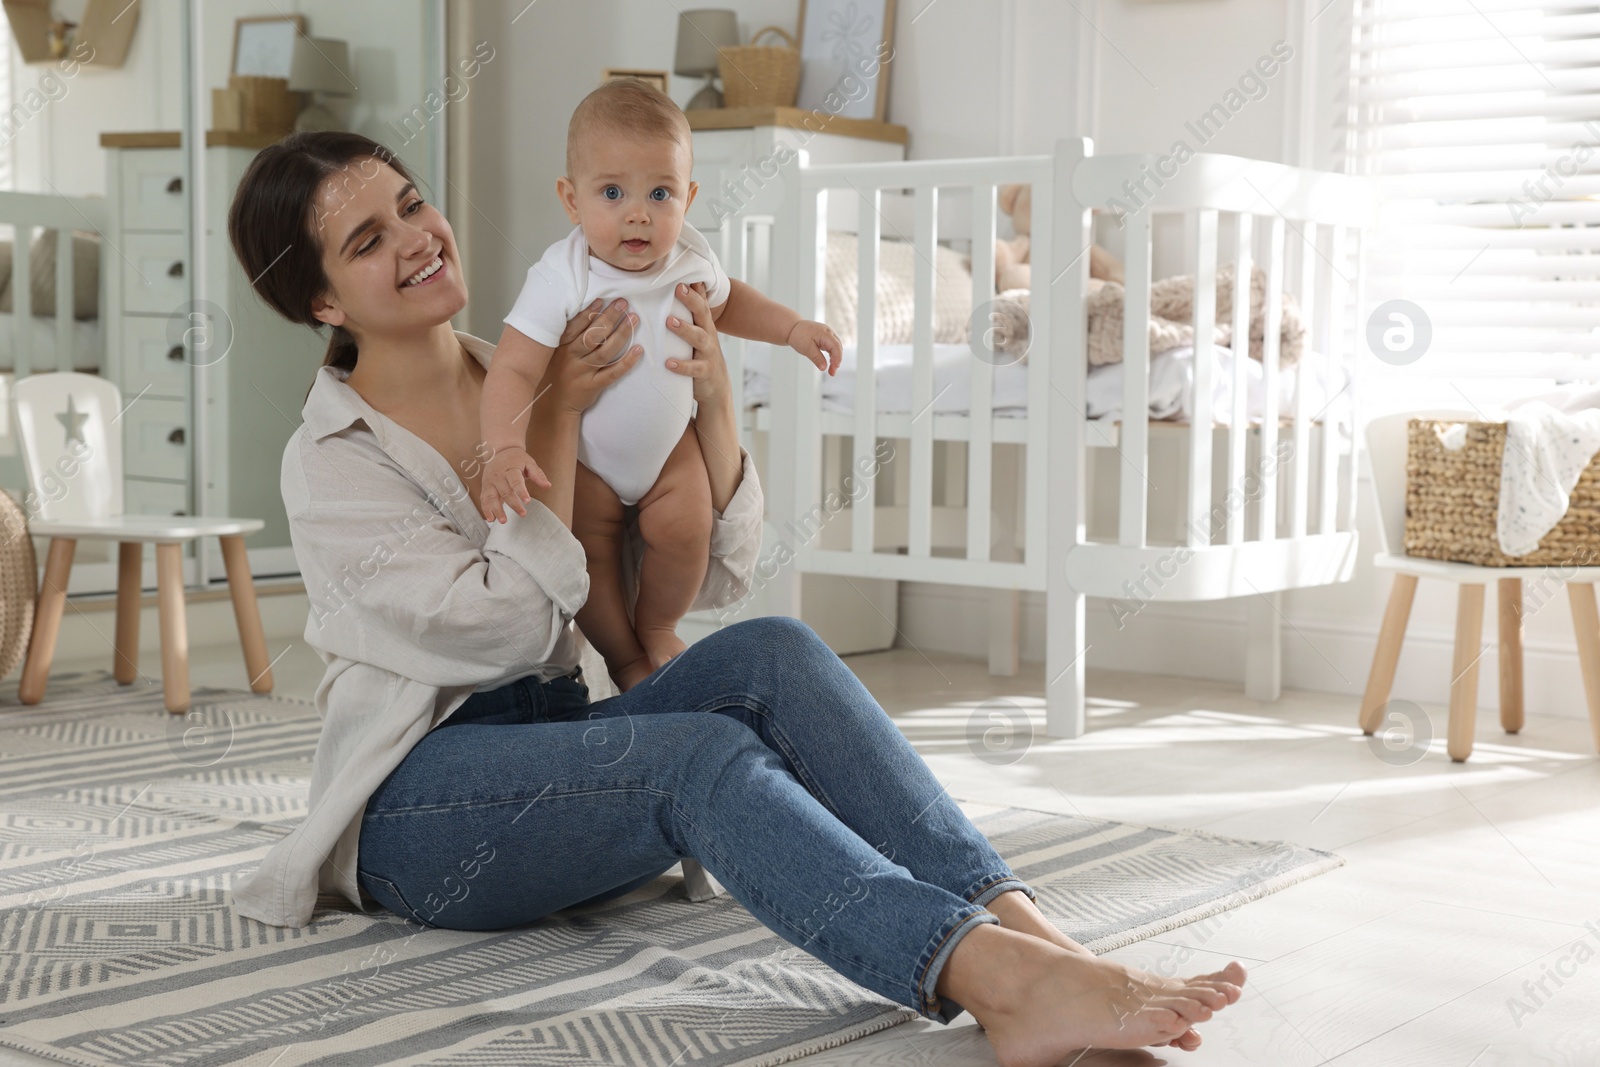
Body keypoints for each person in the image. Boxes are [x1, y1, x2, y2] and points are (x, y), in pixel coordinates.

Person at [225, 130, 1245, 1065]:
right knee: (696, 755)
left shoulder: (532, 369)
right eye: (368, 238)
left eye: (410, 203)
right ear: (321, 302)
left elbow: (711, 567)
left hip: (559, 746)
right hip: (422, 808)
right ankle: (1002, 984)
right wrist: (559, 426)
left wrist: (713, 404)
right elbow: (503, 628)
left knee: (774, 651)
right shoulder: (333, 461)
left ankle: (1042, 942)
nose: (416, 236)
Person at [482, 79, 840, 690]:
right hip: (588, 457)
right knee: (586, 553)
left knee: (689, 527)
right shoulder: (561, 275)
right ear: (571, 200)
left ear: (689, 196)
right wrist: (504, 448)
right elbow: (513, 367)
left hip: (671, 448)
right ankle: (622, 657)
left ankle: (656, 627)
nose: (638, 213)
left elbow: (732, 305)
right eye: (613, 192)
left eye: (660, 192)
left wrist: (793, 329)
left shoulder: (691, 259)